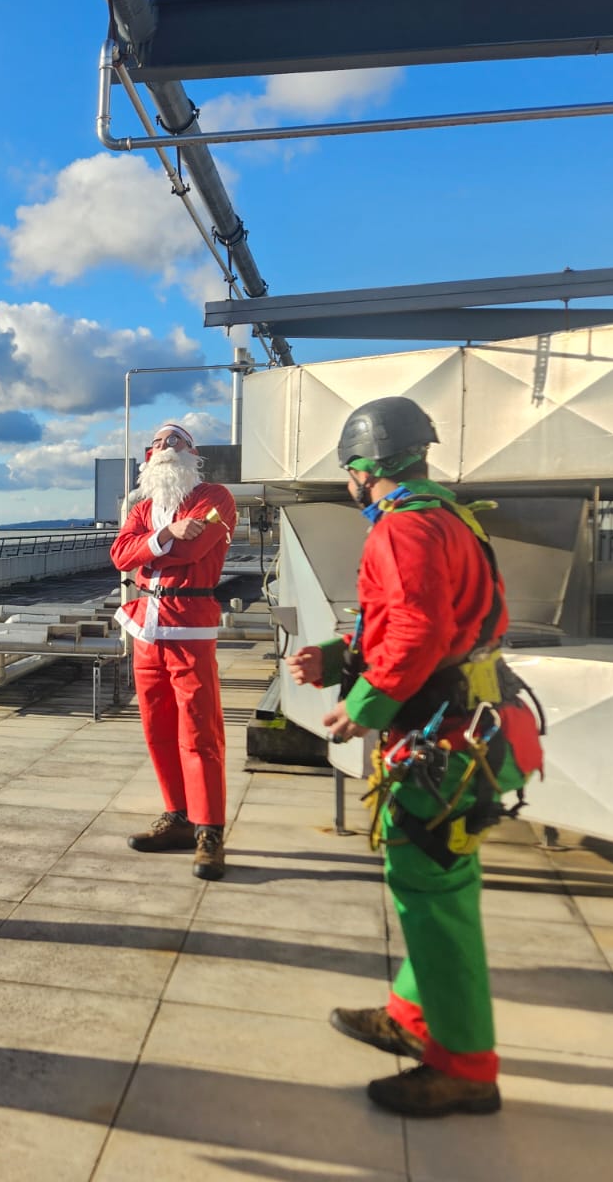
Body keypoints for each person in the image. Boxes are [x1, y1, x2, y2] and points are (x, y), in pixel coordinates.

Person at [285, 395, 542, 1118]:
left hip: (439, 737)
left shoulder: (401, 532)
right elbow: (432, 623)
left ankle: (464, 1066)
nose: (349, 486)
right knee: (439, 884)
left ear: (366, 468)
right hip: (473, 727)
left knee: (430, 892)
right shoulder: (453, 518)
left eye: (349, 472)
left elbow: (419, 632)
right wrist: (339, 657)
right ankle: (413, 1015)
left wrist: (360, 707)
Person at [110, 422, 236, 880]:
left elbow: (196, 547)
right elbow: (120, 556)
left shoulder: (215, 498)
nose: (167, 446)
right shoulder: (143, 507)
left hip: (189, 625)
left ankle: (209, 831)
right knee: (157, 727)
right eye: (160, 442)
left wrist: (151, 549)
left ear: (193, 453)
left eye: (177, 441)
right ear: (149, 454)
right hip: (146, 627)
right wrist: (167, 536)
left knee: (200, 730)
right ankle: (178, 815)